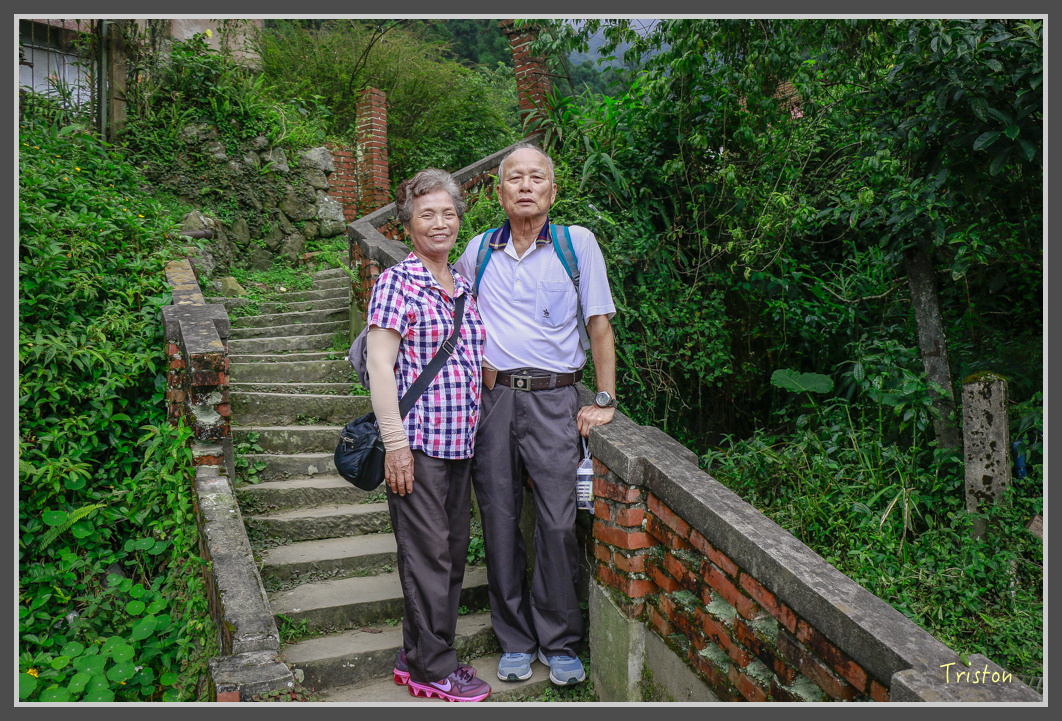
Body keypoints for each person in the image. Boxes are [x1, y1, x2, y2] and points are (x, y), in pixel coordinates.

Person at [454, 143, 618, 686]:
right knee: (499, 520)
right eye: (515, 178)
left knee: (557, 521)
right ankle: (515, 640)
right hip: (494, 401)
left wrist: (604, 400)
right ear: (499, 191)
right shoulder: (478, 250)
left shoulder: (577, 244)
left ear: (552, 189)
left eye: (536, 178)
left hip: (555, 400)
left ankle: (560, 641)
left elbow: (599, 324)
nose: (525, 186)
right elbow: (451, 311)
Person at [365, 168, 491, 702]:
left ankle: (414, 652)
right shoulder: (397, 282)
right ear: (407, 225)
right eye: (427, 215)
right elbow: (380, 365)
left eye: (448, 213)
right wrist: (395, 445)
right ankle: (434, 669)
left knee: (451, 554)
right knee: (428, 557)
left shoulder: (462, 284)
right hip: (417, 444)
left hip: (460, 443)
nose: (440, 223)